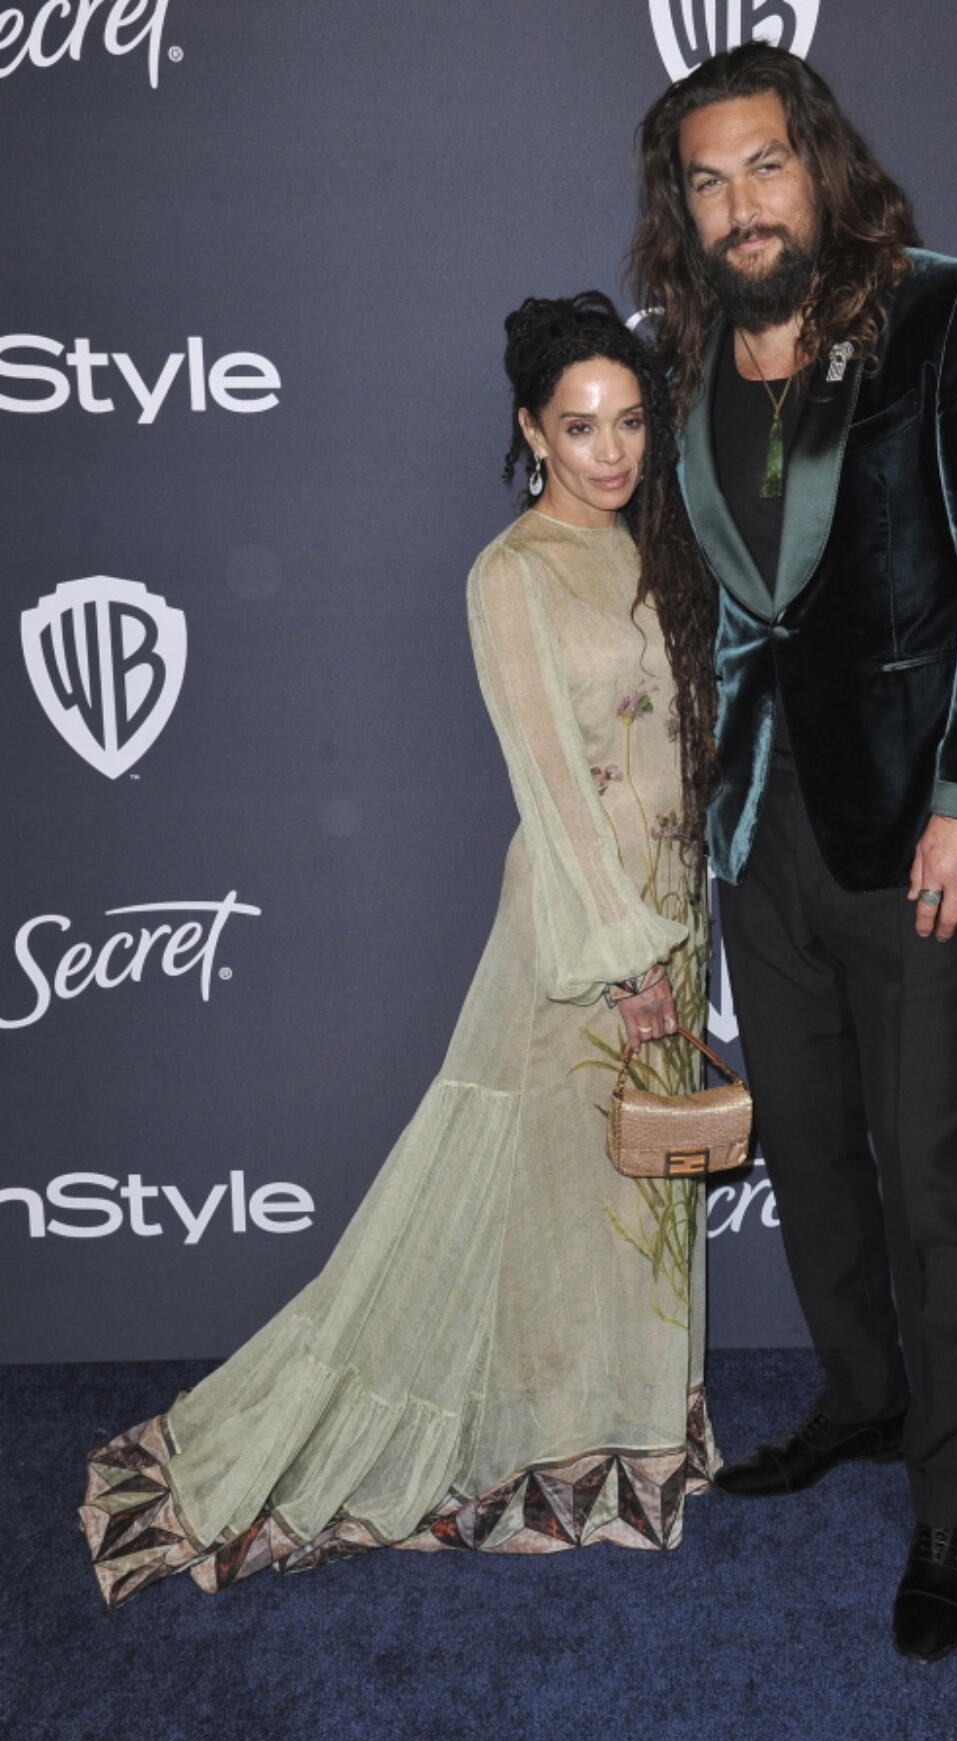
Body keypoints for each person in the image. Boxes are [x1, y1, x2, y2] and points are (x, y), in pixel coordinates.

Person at [79, 292, 721, 1607]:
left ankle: (618, 1443)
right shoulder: (513, 572)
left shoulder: (649, 547)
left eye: (631, 422)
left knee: (630, 1203)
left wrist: (684, 925)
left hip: (673, 905)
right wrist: (632, 962)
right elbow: (549, 783)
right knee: (539, 1188)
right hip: (585, 933)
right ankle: (515, 1447)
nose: (610, 451)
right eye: (580, 426)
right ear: (529, 431)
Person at [631, 45, 957, 1661]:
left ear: (818, 165)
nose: (741, 206)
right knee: (808, 1152)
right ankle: (865, 1401)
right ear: (681, 210)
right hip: (764, 833)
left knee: (929, 1168)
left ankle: (954, 1494)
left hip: (920, 832)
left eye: (764, 167)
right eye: (707, 181)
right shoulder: (685, 365)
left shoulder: (950, 312)